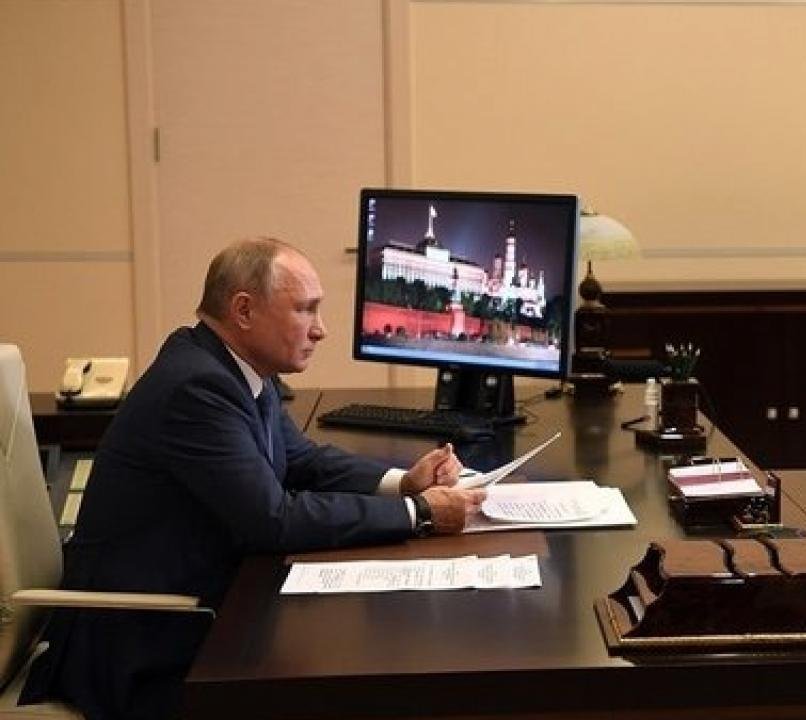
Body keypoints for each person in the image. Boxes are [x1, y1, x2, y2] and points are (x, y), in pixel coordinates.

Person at [20, 237, 488, 720]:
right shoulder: (197, 386)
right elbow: (273, 519)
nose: (321, 330)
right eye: (305, 310)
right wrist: (420, 513)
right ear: (243, 310)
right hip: (145, 643)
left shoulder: (234, 368)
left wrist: (405, 484)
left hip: (199, 608)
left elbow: (302, 460)